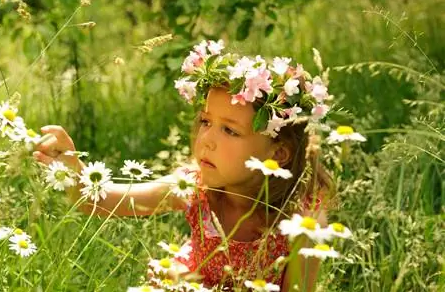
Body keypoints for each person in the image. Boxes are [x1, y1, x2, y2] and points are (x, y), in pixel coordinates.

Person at [33, 40, 333, 291]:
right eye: (205, 121)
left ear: (278, 154)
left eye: (229, 130)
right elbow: (100, 201)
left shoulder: (300, 219)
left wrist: (190, 284)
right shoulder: (194, 187)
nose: (206, 140)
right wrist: (72, 166)